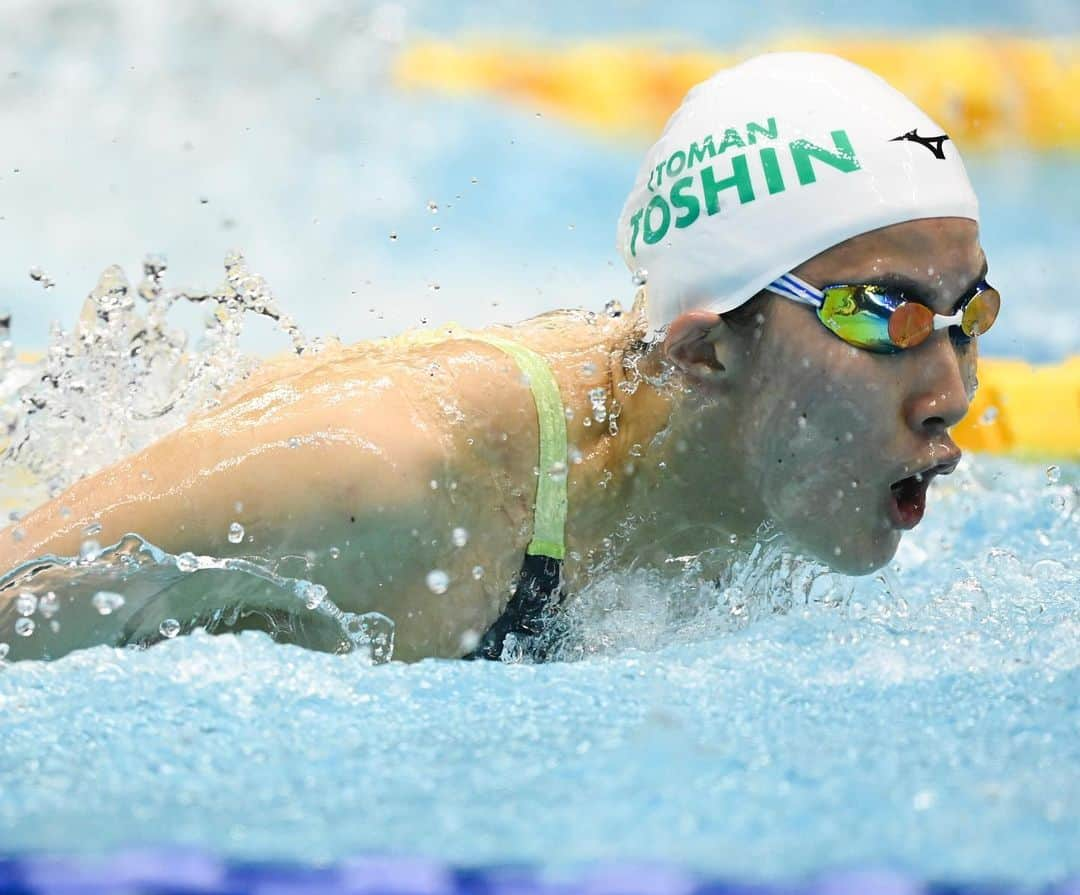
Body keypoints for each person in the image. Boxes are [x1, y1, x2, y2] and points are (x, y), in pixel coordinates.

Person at [0, 52, 998, 663]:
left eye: (968, 313)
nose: (950, 394)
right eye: (885, 318)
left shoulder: (753, 484)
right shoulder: (393, 480)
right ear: (702, 354)